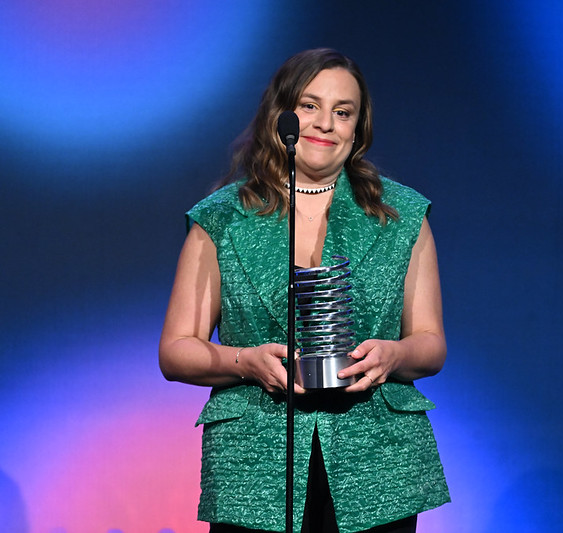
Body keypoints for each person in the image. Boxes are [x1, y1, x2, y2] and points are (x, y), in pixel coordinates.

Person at [159, 48, 450, 533]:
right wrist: (244, 361)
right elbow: (176, 350)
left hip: (378, 465)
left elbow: (430, 343)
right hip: (254, 469)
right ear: (281, 114)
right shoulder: (222, 219)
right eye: (310, 106)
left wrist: (393, 356)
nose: (325, 124)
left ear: (358, 128)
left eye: (343, 112)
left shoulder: (402, 217)